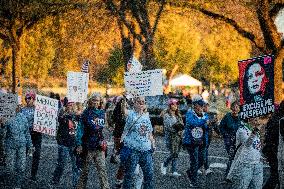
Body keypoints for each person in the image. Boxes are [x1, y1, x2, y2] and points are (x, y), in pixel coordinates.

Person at [120, 96, 155, 189]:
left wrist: (153, 143)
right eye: (139, 102)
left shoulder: (146, 116)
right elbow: (124, 110)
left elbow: (150, 133)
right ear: (134, 103)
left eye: (143, 102)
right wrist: (124, 99)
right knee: (129, 176)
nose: (141, 103)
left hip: (146, 150)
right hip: (133, 150)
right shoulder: (131, 114)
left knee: (149, 175)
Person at [76, 93, 110, 189]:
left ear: (100, 102)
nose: (95, 102)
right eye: (93, 100)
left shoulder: (103, 113)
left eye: (97, 100)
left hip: (99, 145)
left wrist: (105, 141)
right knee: (84, 171)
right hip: (87, 145)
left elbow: (105, 129)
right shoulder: (86, 113)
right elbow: (80, 129)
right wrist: (79, 144)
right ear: (90, 101)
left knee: (102, 170)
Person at [2, 105, 33, 188]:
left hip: (22, 146)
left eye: (19, 106)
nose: (18, 107)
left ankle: (18, 185)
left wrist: (30, 145)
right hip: (10, 145)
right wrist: (2, 124)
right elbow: (3, 133)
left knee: (21, 167)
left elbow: (27, 133)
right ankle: (9, 184)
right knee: (10, 167)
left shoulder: (24, 117)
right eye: (17, 106)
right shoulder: (7, 117)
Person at [227, 118, 263, 189]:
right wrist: (255, 131)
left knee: (258, 187)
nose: (257, 121)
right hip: (245, 164)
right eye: (255, 119)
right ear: (249, 119)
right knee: (243, 186)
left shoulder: (256, 130)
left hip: (257, 163)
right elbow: (247, 143)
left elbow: (256, 146)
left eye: (257, 119)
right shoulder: (242, 130)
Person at [51, 102, 79, 188]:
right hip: (64, 143)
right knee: (61, 164)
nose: (71, 106)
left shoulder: (78, 116)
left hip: (74, 144)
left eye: (72, 105)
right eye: (69, 105)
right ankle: (55, 180)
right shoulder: (62, 116)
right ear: (66, 106)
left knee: (76, 166)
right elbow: (59, 119)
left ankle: (76, 184)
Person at [183, 96, 209, 187]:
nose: (202, 106)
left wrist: (209, 124)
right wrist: (204, 121)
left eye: (202, 104)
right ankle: (193, 181)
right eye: (200, 104)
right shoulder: (190, 113)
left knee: (202, 160)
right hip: (190, 141)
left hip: (201, 141)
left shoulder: (204, 114)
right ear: (195, 105)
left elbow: (206, 127)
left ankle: (190, 172)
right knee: (194, 161)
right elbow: (193, 123)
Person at [21, 91, 42, 181]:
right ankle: (21, 173)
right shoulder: (22, 109)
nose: (27, 100)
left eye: (29, 98)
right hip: (26, 135)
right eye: (26, 98)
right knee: (24, 154)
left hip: (37, 135)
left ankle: (33, 175)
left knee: (36, 155)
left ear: (33, 99)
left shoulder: (39, 109)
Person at [262, 101, 284, 189]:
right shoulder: (279, 121)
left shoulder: (276, 118)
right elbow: (272, 139)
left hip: (274, 151)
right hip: (275, 152)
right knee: (276, 176)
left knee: (277, 176)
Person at [161, 98, 184, 176]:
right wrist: (177, 130)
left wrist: (181, 130)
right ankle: (165, 164)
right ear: (170, 105)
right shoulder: (167, 115)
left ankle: (173, 170)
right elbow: (168, 127)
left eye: (176, 104)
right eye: (173, 104)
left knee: (176, 153)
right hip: (170, 137)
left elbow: (182, 125)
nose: (175, 106)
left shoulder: (178, 115)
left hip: (178, 137)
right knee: (173, 153)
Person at [219, 101, 241, 181]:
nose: (235, 109)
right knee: (232, 157)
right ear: (231, 108)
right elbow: (221, 127)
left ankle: (234, 175)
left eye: (237, 107)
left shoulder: (242, 117)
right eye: (234, 107)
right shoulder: (227, 116)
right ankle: (227, 176)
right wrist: (225, 134)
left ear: (239, 108)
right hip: (229, 140)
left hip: (239, 141)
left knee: (238, 158)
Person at [198, 101, 219, 175]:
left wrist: (219, 132)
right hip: (200, 137)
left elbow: (215, 126)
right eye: (204, 106)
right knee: (203, 153)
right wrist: (210, 122)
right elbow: (202, 125)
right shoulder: (199, 115)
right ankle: (204, 168)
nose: (206, 108)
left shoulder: (210, 115)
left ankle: (199, 168)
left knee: (204, 152)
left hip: (208, 137)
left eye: (207, 106)